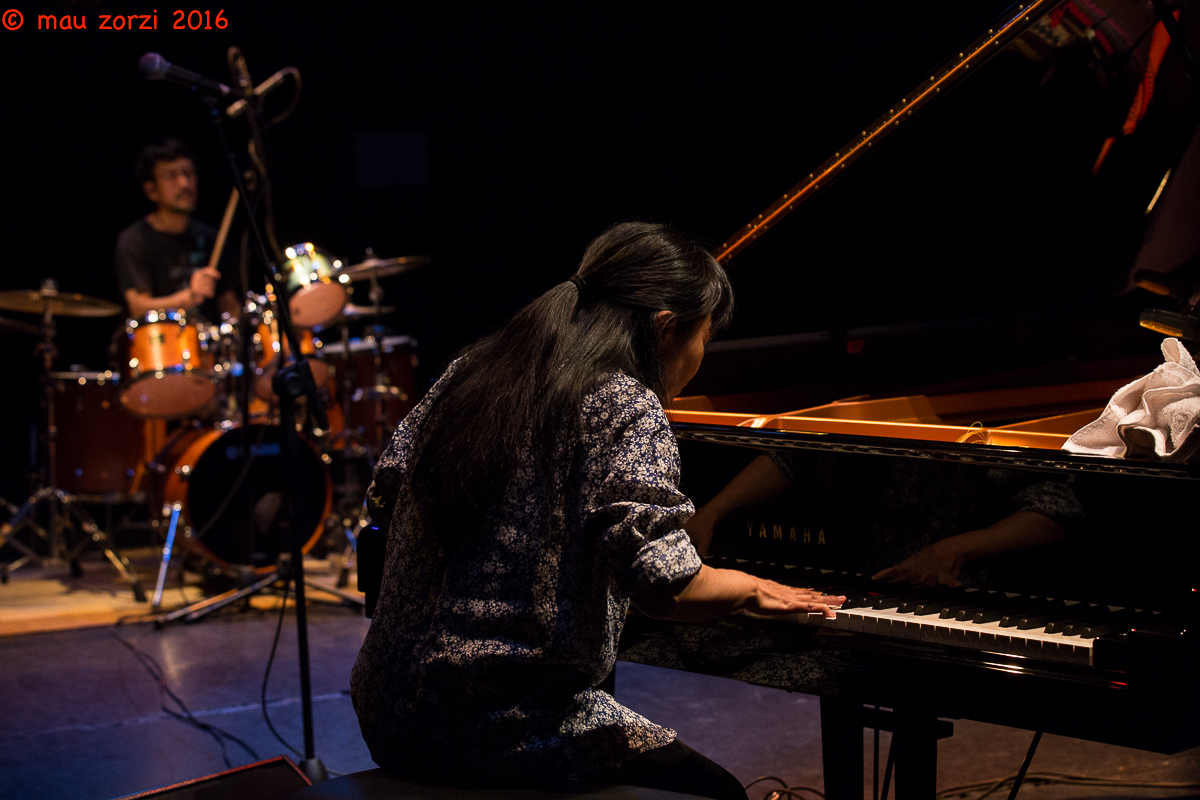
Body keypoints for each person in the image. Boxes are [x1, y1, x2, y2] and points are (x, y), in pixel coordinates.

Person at [351, 222, 845, 800]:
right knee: (719, 792)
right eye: (704, 337)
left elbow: (383, 492)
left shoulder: (472, 370)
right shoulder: (625, 402)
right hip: (504, 724)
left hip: (387, 710)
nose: (701, 357)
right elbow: (669, 589)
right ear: (666, 328)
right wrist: (751, 587)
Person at [685, 451, 1082, 589]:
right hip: (840, 589)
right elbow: (791, 460)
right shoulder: (851, 411)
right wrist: (712, 512)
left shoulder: (982, 431)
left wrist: (956, 547)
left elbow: (1055, 512)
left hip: (948, 598)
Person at [113, 138, 238, 321]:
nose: (184, 184)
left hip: (207, 345)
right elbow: (138, 307)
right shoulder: (134, 241)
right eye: (172, 176)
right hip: (161, 345)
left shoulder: (211, 238)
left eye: (188, 173)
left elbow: (230, 308)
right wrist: (188, 297)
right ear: (151, 190)